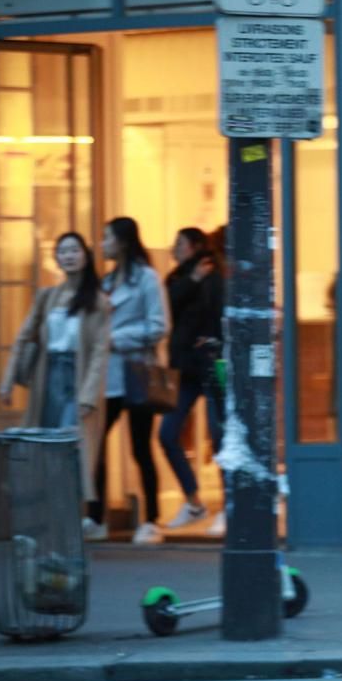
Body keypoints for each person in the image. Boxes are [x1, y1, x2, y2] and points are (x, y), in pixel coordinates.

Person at [0, 232, 111, 536]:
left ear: (85, 256)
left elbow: (101, 350)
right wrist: (8, 380)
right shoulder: (47, 297)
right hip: (49, 377)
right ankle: (52, 525)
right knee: (47, 449)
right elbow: (24, 337)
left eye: (74, 250)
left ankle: (68, 525)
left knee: (70, 448)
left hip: (78, 378)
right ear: (57, 259)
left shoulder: (98, 301)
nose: (69, 256)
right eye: (63, 251)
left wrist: (88, 395)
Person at [89, 216, 170, 545]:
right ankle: (95, 517)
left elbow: (159, 325)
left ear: (122, 241)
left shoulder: (147, 279)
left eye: (107, 238)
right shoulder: (106, 282)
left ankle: (151, 520)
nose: (102, 244)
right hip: (107, 377)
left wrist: (117, 338)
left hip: (136, 372)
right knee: (94, 445)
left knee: (140, 446)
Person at [158, 227, 226, 534]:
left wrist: (214, 342)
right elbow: (166, 309)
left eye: (180, 244)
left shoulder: (217, 274)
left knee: (220, 436)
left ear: (196, 246)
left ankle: (229, 507)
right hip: (185, 369)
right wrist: (192, 280)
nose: (175, 249)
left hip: (210, 366)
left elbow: (217, 314)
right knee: (167, 433)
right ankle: (194, 502)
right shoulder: (179, 279)